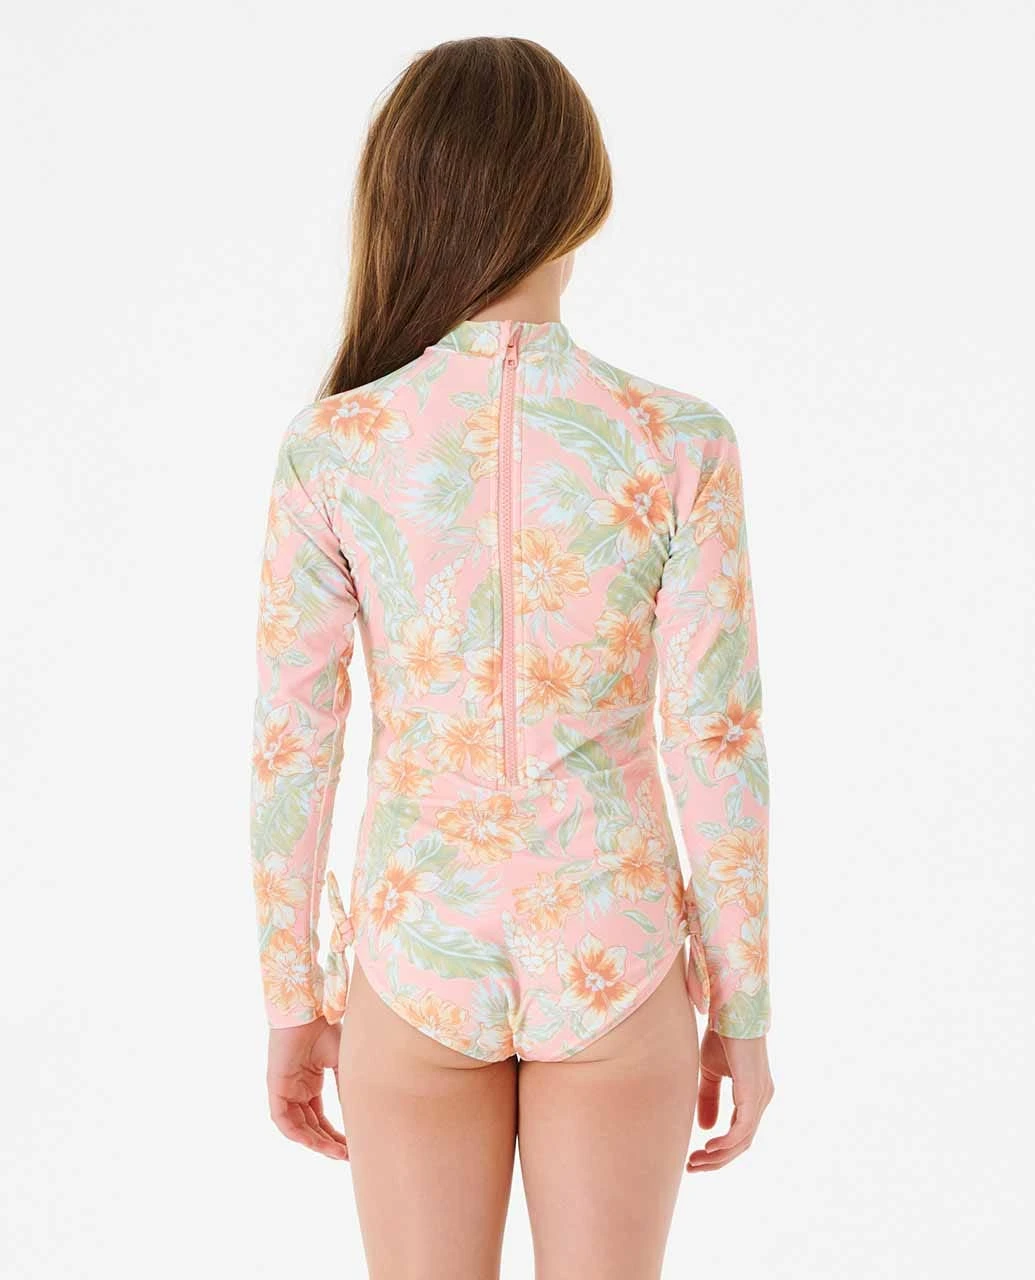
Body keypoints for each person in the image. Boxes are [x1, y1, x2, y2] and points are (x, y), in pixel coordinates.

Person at [250, 35, 774, 1280]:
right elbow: (716, 741)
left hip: (416, 952)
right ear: (581, 193)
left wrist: (291, 999)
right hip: (616, 947)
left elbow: (292, 743)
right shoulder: (678, 442)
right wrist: (743, 1008)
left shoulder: (336, 446)